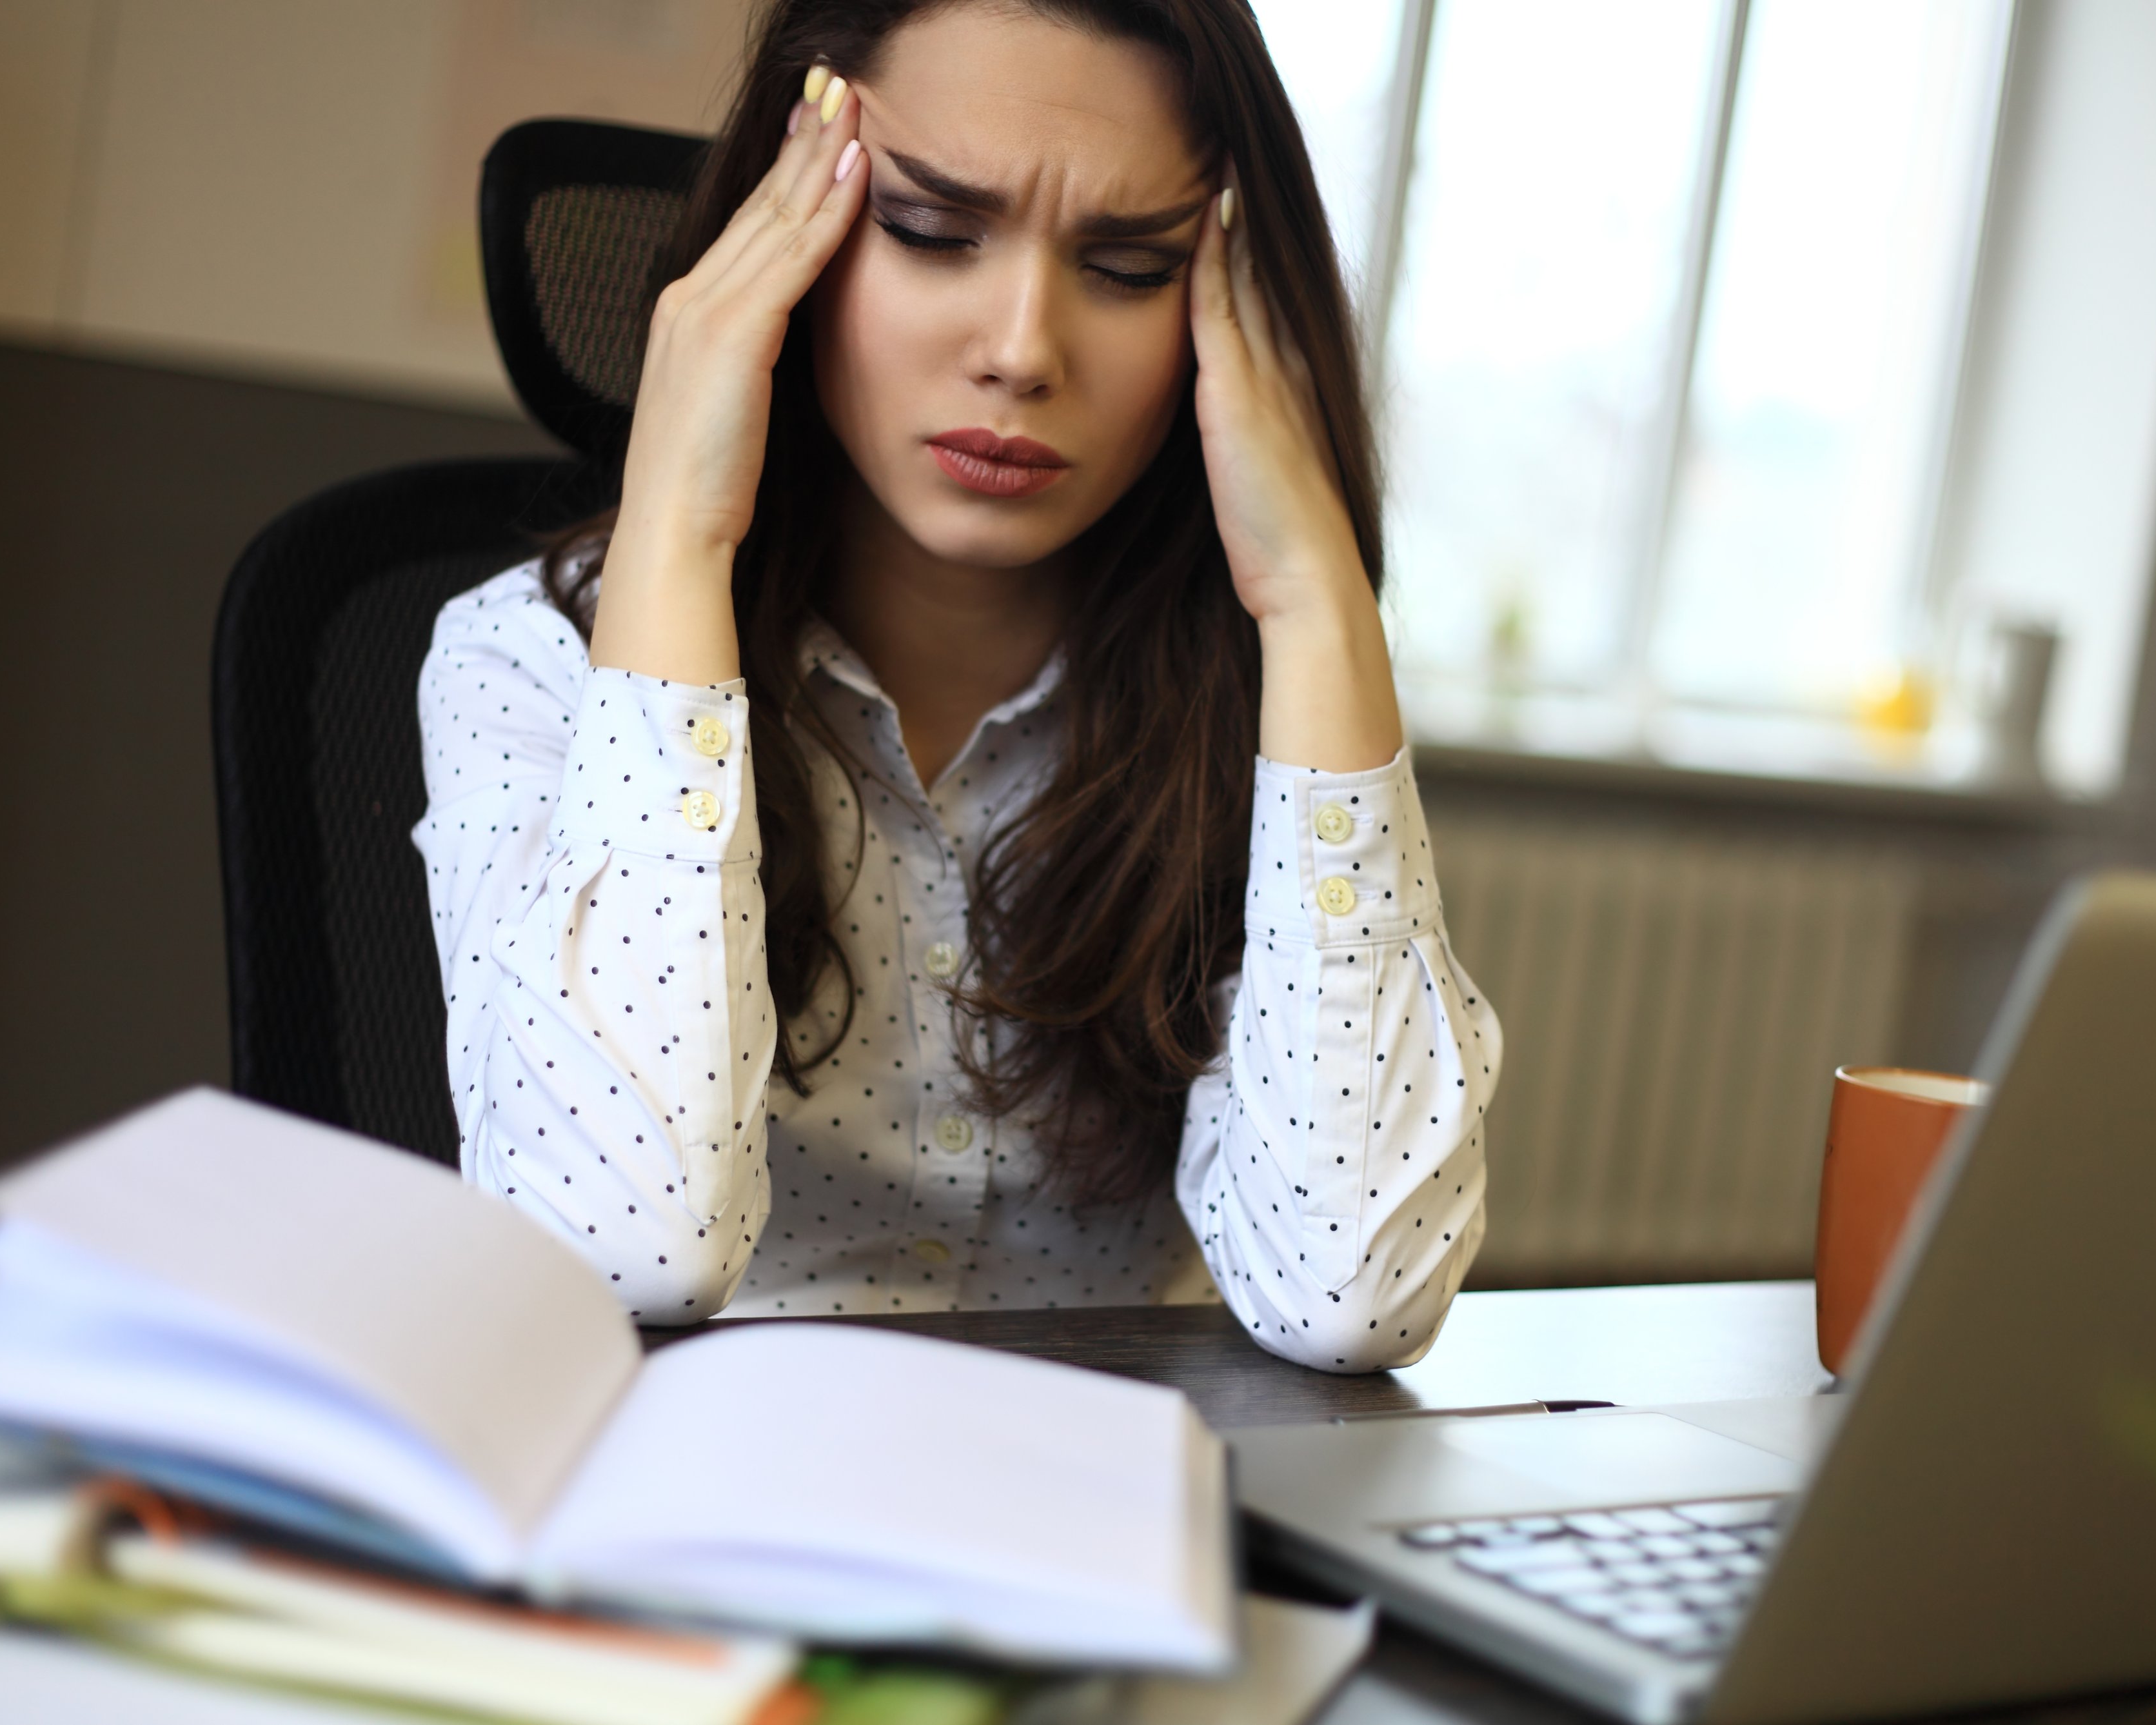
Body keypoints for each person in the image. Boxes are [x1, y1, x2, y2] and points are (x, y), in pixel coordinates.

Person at [411, 0, 1498, 1371]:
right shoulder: (531, 661)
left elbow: (1355, 1292)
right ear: (783, 234)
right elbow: (633, 1242)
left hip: (1104, 1521)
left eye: (1128, 265)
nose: (1024, 349)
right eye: (931, 232)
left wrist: (1316, 597)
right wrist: (676, 533)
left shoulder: (1266, 697)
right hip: (699, 1525)